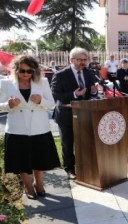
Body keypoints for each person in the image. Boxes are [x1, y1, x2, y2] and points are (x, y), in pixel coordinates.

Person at [1, 56, 60, 200]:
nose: (26, 74)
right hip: (17, 128)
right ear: (15, 70)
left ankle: (38, 183)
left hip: (39, 127)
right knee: (21, 160)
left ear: (34, 71)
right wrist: (8, 104)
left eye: (29, 71)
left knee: (39, 158)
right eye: (22, 71)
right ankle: (28, 186)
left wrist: (40, 101)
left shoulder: (43, 82)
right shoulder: (6, 83)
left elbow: (51, 104)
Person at [51, 47, 98, 179]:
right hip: (66, 115)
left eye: (85, 60)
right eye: (79, 60)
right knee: (67, 143)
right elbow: (55, 94)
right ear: (71, 60)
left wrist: (94, 91)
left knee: (84, 141)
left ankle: (84, 165)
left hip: (85, 114)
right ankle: (69, 169)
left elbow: (89, 94)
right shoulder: (60, 75)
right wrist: (73, 94)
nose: (83, 62)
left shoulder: (89, 73)